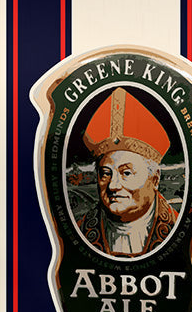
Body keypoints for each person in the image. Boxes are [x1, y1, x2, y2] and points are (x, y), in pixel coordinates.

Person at [76, 87, 178, 257]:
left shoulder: (177, 229)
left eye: (127, 173)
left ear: (155, 179)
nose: (113, 186)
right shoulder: (80, 231)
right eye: (105, 173)